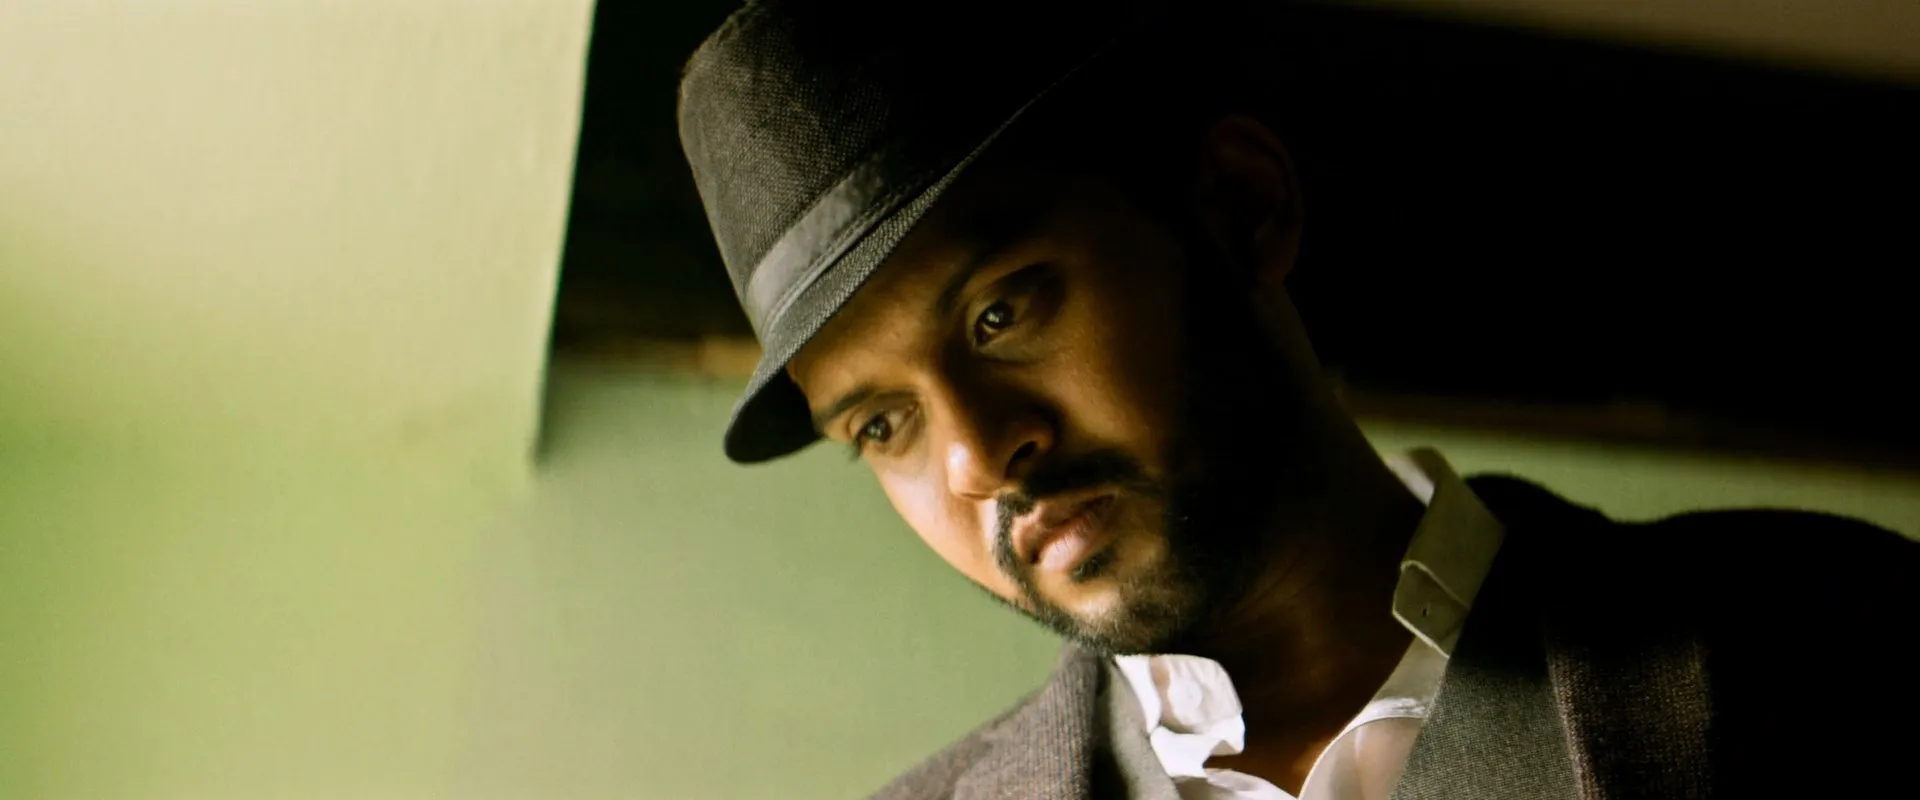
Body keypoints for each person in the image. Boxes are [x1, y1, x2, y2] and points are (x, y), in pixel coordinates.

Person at [673, 0, 1919, 797]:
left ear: (1242, 206)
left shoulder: (1829, 640)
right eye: (882, 423)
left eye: (1000, 314)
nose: (978, 456)